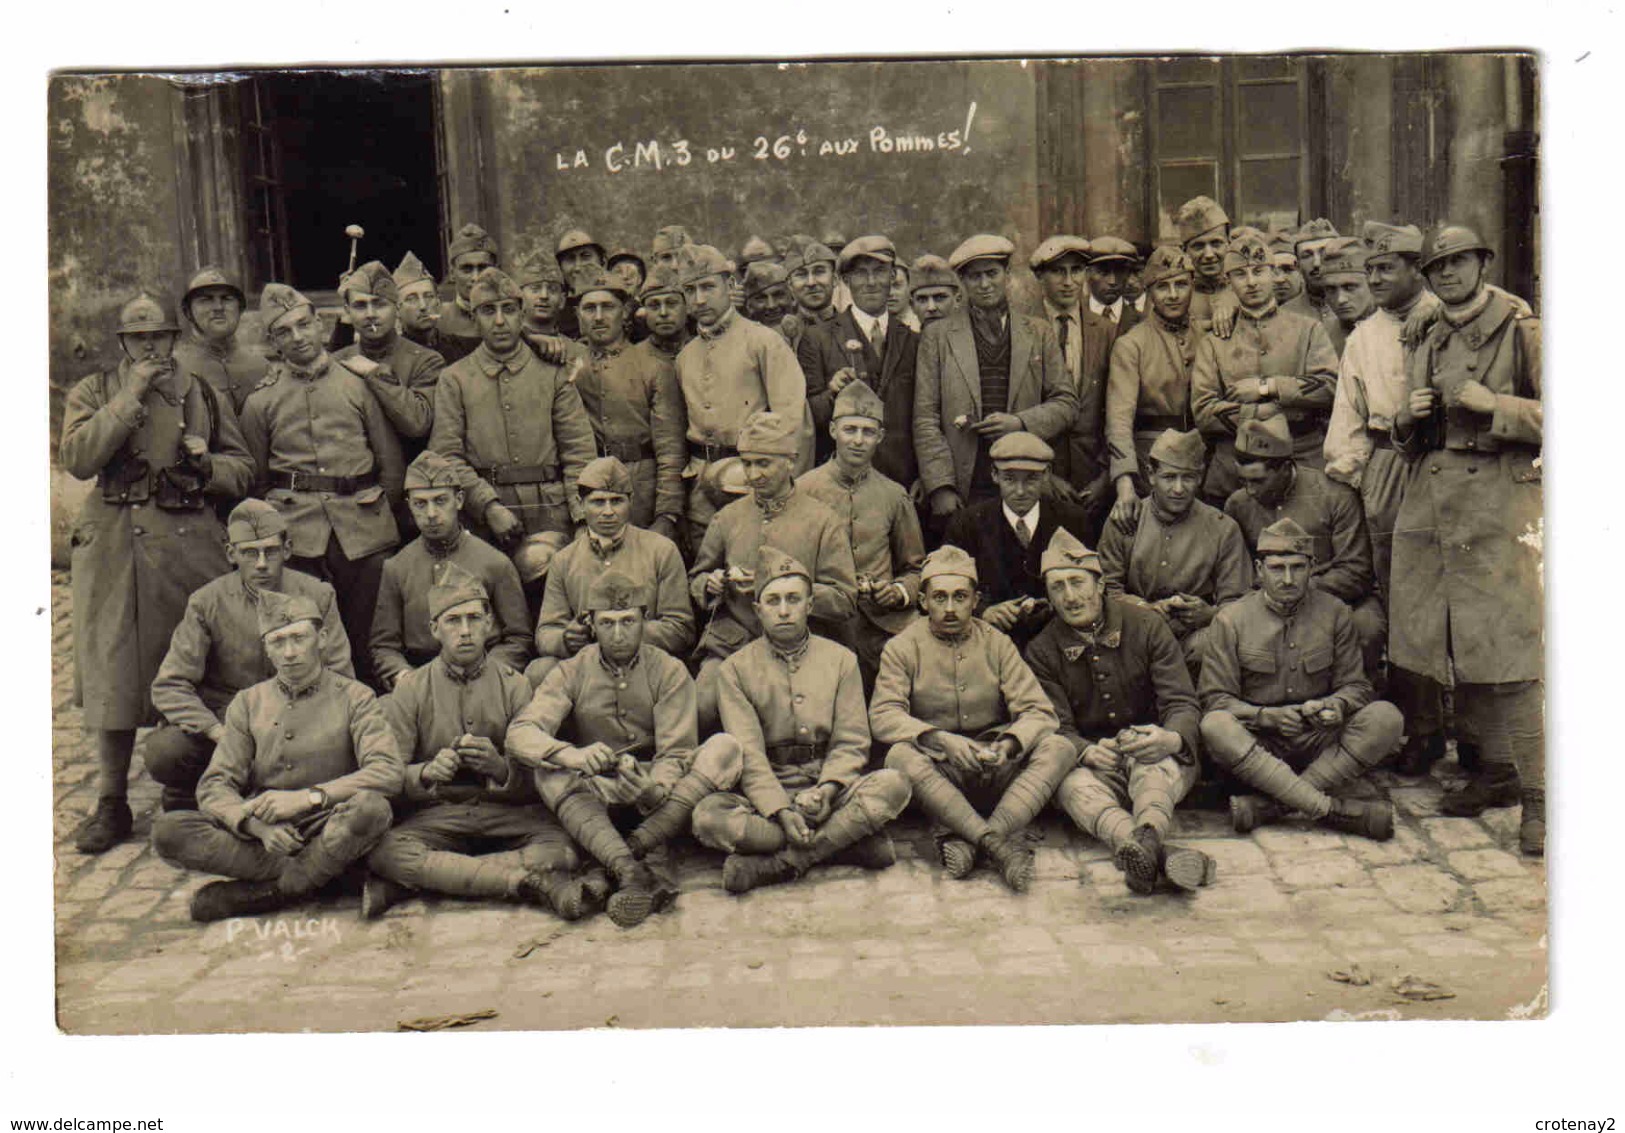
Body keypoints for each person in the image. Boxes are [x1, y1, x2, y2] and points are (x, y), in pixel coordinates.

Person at [62, 294, 255, 853]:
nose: (151, 347)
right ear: (123, 343)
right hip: (114, 545)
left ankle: (188, 783)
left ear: (175, 338)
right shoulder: (96, 390)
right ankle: (111, 800)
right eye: (139, 338)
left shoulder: (201, 393)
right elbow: (78, 458)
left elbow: (241, 471)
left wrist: (205, 463)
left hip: (185, 544)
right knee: (113, 669)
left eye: (161, 337)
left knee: (192, 663)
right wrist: (130, 396)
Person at [1391, 225, 1544, 855]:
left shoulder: (1522, 329)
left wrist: (1496, 404)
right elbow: (1405, 436)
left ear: (1483, 262)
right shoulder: (1425, 334)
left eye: (1460, 262)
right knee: (1451, 643)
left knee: (1509, 651)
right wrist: (1408, 416)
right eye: (1437, 267)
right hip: (1434, 504)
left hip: (1499, 507)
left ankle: (1540, 800)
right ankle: (1496, 771)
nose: (1448, 273)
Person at [151, 592, 404, 922]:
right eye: (278, 642)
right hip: (269, 841)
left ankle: (270, 893)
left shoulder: (355, 696)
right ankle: (330, 878)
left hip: (332, 824)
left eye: (299, 638)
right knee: (169, 830)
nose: (289, 653)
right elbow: (215, 786)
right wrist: (255, 826)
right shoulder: (248, 702)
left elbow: (387, 771)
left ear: (322, 639)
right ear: (266, 648)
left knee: (371, 810)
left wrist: (307, 798)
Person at [508, 571, 743, 923]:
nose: (618, 634)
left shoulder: (669, 670)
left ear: (644, 620)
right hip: (597, 786)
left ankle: (619, 860)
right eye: (607, 623)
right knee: (548, 770)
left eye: (628, 621)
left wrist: (654, 789)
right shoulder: (571, 670)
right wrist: (573, 755)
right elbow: (520, 733)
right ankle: (632, 869)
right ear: (591, 624)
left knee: (725, 748)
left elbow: (676, 751)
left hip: (658, 789)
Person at [363, 564, 590, 920]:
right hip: (439, 815)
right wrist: (426, 773)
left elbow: (540, 781)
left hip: (506, 814)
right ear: (434, 629)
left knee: (561, 848)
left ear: (490, 626)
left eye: (474, 619)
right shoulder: (410, 689)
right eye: (453, 621)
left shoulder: (516, 685)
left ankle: (429, 878)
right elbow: (389, 776)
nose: (465, 631)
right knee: (384, 851)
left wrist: (500, 768)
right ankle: (523, 882)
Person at [693, 548, 912, 893]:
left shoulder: (841, 660)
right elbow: (748, 753)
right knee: (707, 818)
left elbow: (851, 741)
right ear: (758, 609)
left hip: (828, 788)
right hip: (768, 789)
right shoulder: (734, 669)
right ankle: (845, 843)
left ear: (810, 606)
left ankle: (784, 863)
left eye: (793, 599)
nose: (783, 610)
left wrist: (827, 790)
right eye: (773, 601)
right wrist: (780, 810)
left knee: (894, 784)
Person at [874, 545, 1074, 891]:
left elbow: (1039, 711)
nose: (950, 608)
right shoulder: (902, 647)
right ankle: (998, 845)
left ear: (976, 600)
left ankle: (975, 838)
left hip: (995, 767)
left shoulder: (997, 643)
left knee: (1059, 747)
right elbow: (883, 714)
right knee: (898, 756)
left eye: (960, 597)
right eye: (939, 598)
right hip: (941, 773)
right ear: (923, 602)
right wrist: (939, 739)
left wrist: (1009, 745)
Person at [1026, 529, 1214, 894]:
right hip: (1098, 765)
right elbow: (1054, 724)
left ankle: (1145, 844)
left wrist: (1169, 738)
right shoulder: (1042, 651)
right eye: (1058, 587)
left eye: (1077, 582)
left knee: (1153, 771)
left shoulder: (1146, 626)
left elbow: (1181, 702)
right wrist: (1085, 750)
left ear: (1099, 585)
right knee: (1070, 786)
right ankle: (1147, 849)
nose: (1070, 596)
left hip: (1156, 752)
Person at [239, 283, 406, 688]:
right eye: (284, 332)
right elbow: (257, 479)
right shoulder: (261, 401)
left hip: (363, 529)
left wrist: (378, 514)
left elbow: (391, 465)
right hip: (298, 534)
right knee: (307, 634)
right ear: (274, 342)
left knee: (370, 635)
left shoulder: (359, 384)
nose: (297, 338)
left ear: (320, 325)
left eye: (303, 325)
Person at [1324, 221, 1446, 773]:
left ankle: (1472, 730)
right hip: (1387, 463)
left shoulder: (1446, 317)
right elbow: (1348, 414)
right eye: (1368, 269)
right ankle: (1420, 731)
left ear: (1415, 270)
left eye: (1385, 268)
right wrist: (1354, 479)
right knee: (1399, 599)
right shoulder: (1363, 336)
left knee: (1452, 597)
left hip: (1443, 460)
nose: (1374, 278)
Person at [1198, 518, 1401, 840]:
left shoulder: (1335, 612)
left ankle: (1272, 806)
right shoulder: (1230, 620)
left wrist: (1335, 705)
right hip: (1260, 746)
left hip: (1320, 741)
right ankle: (1333, 810)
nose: (1288, 579)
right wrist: (1268, 718)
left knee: (1387, 717)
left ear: (1313, 567)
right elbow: (1215, 700)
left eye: (1298, 567)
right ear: (1259, 569)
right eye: (1277, 568)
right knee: (1215, 726)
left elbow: (1358, 686)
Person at [149, 499, 351, 813]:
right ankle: (191, 791)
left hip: (298, 713)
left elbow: (341, 675)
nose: (260, 564)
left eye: (270, 551)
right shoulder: (207, 602)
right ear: (231, 554)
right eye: (249, 553)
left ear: (287, 550)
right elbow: (170, 685)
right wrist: (219, 732)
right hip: (227, 717)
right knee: (166, 751)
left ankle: (262, 791)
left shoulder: (318, 595)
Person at [689, 410, 858, 728]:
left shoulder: (822, 521)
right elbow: (697, 577)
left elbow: (844, 599)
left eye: (763, 463)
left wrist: (790, 590)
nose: (753, 475)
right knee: (701, 707)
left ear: (790, 461)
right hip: (733, 642)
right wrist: (709, 584)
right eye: (748, 463)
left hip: (801, 645)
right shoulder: (728, 517)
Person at [428, 267, 597, 574]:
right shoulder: (454, 379)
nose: (499, 321)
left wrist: (583, 519)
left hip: (551, 510)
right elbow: (446, 455)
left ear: (522, 314)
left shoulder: (554, 374)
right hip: (484, 520)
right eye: (488, 311)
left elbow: (579, 453)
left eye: (508, 309)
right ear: (474, 319)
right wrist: (488, 507)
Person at [914, 234, 1076, 533]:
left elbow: (1066, 403)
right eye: (975, 277)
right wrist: (940, 486)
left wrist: (1020, 423)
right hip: (965, 482)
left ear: (1007, 275)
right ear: (962, 282)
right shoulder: (937, 337)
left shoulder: (1038, 332)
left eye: (992, 274)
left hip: (1024, 478)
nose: (985, 284)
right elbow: (925, 417)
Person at [1224, 414, 1386, 680]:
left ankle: (1357, 697)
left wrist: (1299, 590)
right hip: (1265, 600)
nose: (1250, 491)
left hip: (1335, 598)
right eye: (1243, 481)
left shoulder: (1335, 496)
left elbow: (1356, 572)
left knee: (1366, 626)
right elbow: (1236, 570)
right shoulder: (1237, 505)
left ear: (1286, 467)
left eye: (1258, 481)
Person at [672, 244, 810, 544]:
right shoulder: (685, 357)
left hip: (753, 480)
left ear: (730, 285)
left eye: (708, 287)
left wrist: (784, 490)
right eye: (690, 290)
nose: (700, 299)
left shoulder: (763, 342)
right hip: (699, 486)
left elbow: (793, 421)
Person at [1190, 232, 1338, 504]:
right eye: (1240, 275)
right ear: (1228, 282)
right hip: (1234, 471)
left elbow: (1329, 386)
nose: (1251, 282)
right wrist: (1268, 411)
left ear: (1272, 273)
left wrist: (1266, 387)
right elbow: (1204, 410)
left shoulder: (1308, 330)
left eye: (1259, 272)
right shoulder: (1214, 342)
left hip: (1302, 458)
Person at [796, 380, 925, 689]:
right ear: (832, 431)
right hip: (822, 624)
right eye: (849, 429)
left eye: (867, 432)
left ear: (879, 437)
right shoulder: (803, 490)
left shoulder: (894, 495)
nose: (857, 440)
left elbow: (916, 568)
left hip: (883, 626)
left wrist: (897, 591)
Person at [527, 456, 694, 687]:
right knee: (539, 671)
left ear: (631, 501)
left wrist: (621, 634)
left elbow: (680, 628)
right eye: (598, 502)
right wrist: (566, 638)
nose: (608, 512)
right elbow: (545, 632)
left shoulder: (661, 550)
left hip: (644, 666)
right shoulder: (564, 560)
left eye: (617, 501)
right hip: (587, 670)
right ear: (580, 503)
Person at [370, 450, 531, 686]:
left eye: (440, 500)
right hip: (422, 682)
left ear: (459, 500)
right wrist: (403, 675)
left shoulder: (495, 562)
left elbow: (518, 638)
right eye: (420, 504)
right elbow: (384, 646)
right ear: (409, 506)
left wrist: (489, 674)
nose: (431, 514)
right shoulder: (397, 567)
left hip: (485, 679)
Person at [1098, 428, 1252, 672]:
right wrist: (1143, 608)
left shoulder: (1223, 528)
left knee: (1216, 642)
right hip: (1133, 632)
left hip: (1194, 639)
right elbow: (1106, 588)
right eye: (1169, 477)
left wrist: (1209, 613)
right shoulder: (1127, 520)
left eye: (1188, 478)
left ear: (1200, 477)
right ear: (1151, 475)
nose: (1179, 489)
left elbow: (1239, 602)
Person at [943, 432, 1092, 651]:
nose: (1020, 491)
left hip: (1059, 642)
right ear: (994, 475)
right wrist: (983, 611)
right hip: (986, 641)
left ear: (1047, 474)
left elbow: (1091, 584)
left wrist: (1052, 607)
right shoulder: (967, 524)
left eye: (1031, 479)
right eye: (1010, 479)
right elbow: (946, 583)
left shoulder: (1073, 520)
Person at [567, 266, 686, 537]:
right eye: (589, 308)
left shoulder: (653, 367)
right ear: (578, 315)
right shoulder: (568, 364)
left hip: (641, 487)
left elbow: (670, 449)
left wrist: (667, 513)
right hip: (589, 485)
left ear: (625, 312)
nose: (598, 317)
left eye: (608, 307)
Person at [797, 235, 919, 484]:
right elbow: (806, 419)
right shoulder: (817, 338)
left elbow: (923, 416)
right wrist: (832, 392)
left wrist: (922, 477)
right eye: (861, 273)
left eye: (880, 272)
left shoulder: (914, 340)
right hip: (839, 481)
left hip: (902, 480)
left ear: (892, 275)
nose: (872, 282)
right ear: (845, 280)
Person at [1105, 246, 1207, 515]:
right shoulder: (1131, 345)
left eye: (1181, 285)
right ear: (1149, 292)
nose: (1173, 295)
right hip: (1152, 467)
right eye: (1163, 287)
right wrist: (1125, 483)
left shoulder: (1207, 335)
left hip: (1202, 464)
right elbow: (1119, 421)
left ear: (1192, 287)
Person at [332, 260, 446, 468]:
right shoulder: (337, 362)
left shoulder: (426, 360)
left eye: (379, 304)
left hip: (413, 480)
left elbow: (417, 423)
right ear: (347, 312)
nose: (370, 314)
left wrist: (375, 373)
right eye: (360, 306)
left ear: (397, 308)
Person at [1030, 234, 1110, 525]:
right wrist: (1043, 476)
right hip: (1039, 477)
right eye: (1057, 271)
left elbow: (1114, 411)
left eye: (1076, 271)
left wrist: (1105, 476)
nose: (1068, 281)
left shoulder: (1106, 331)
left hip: (1093, 479)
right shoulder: (1022, 329)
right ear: (1039, 276)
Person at [173, 266, 268, 415]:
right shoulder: (175, 369)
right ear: (188, 312)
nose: (218, 307)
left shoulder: (263, 367)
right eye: (205, 300)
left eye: (227, 299)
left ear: (240, 308)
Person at [435, 223, 501, 364]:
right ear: (452, 274)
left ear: (497, 271)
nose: (476, 278)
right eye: (467, 269)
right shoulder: (439, 321)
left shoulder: (510, 317)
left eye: (483, 268)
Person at [1174, 195, 1235, 324]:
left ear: (1228, 243)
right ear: (1184, 250)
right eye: (1198, 246)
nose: (1209, 254)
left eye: (1216, 243)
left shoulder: (1245, 288)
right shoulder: (1175, 297)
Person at [1317, 239, 1376, 357]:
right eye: (1331, 289)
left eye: (1349, 287)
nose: (1340, 299)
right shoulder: (1321, 337)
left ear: (1372, 283)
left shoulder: (1399, 329)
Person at [635, 265, 693, 361]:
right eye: (654, 305)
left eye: (671, 303)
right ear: (644, 311)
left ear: (687, 307)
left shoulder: (705, 351)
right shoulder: (633, 358)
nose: (663, 313)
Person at [393, 251, 444, 354]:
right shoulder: (394, 355)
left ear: (438, 302)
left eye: (429, 297)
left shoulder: (462, 348)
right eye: (411, 299)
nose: (423, 306)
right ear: (397, 309)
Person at [786, 241, 840, 331]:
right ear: (790, 285)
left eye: (819, 272)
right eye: (801, 274)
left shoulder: (855, 328)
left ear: (835, 279)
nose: (811, 283)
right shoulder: (779, 336)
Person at [908, 254, 960, 328]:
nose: (931, 307)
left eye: (939, 298)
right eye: (922, 300)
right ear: (912, 305)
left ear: (957, 300)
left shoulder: (973, 338)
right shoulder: (902, 339)